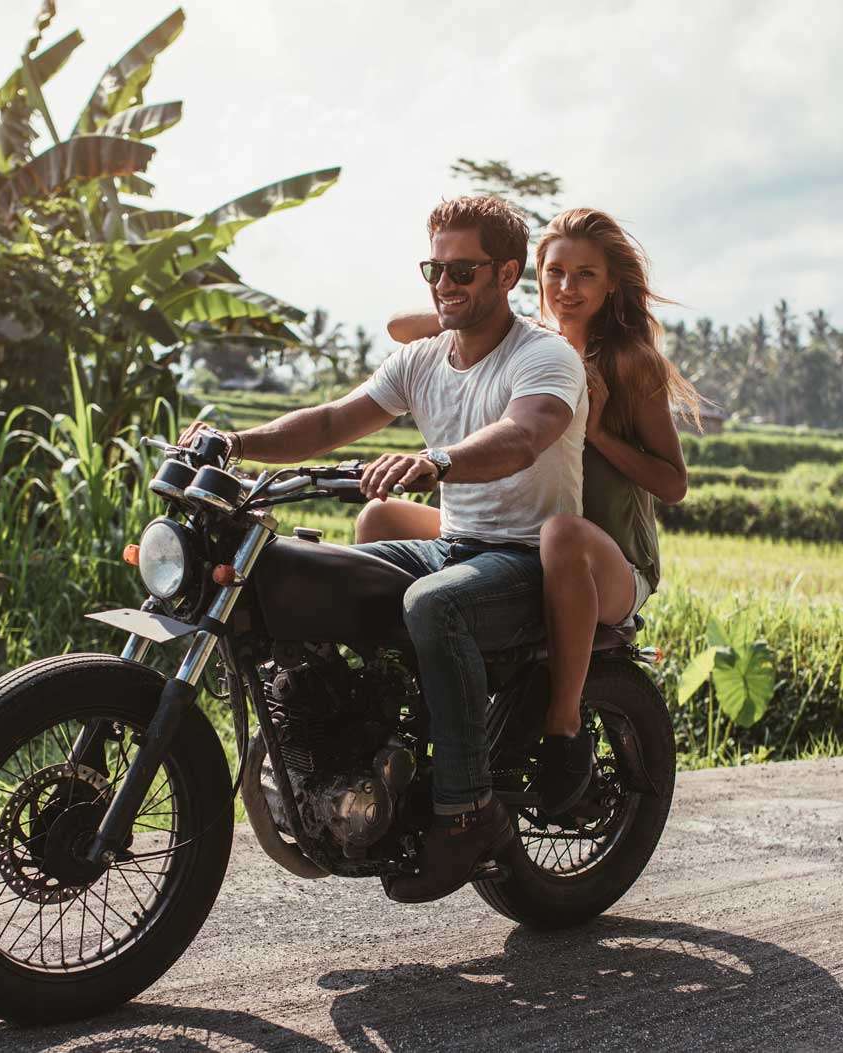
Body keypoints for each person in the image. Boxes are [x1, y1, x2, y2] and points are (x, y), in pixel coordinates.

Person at [182, 195, 586, 904]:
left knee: (433, 605)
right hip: (455, 544)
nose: (444, 285)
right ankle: (349, 744)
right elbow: (335, 420)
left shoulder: (544, 356)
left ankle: (468, 814)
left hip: (522, 559)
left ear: (507, 274)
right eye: (435, 268)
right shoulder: (423, 358)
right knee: (309, 573)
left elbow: (525, 433)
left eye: (463, 270)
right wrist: (237, 443)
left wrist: (440, 461)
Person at [364, 207, 699, 814]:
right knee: (380, 518)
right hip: (513, 533)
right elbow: (396, 326)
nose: (567, 289)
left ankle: (563, 724)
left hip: (606, 558)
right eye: (556, 273)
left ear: (611, 285)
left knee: (561, 534)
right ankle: (400, 700)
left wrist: (595, 431)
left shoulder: (630, 364)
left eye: (585, 276)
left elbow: (673, 483)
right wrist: (457, 308)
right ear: (531, 278)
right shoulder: (525, 345)